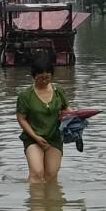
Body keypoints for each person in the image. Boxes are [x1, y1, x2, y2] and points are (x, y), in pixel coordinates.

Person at [15, 51, 69, 183]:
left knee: (51, 174)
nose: (44, 81)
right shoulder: (25, 95)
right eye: (40, 78)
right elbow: (21, 118)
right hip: (33, 138)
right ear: (33, 76)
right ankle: (36, 203)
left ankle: (51, 202)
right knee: (37, 173)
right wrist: (36, 137)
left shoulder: (58, 91)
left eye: (47, 77)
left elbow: (66, 110)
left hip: (54, 137)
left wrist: (77, 116)